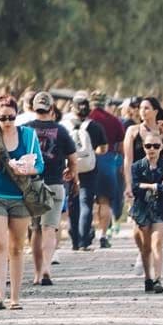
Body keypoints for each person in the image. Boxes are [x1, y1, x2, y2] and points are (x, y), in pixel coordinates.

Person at [0, 94, 43, 312]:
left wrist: (26, 169)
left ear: (17, 116)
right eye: (3, 118)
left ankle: (15, 298)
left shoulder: (29, 136)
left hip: (20, 197)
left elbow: (39, 166)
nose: (7, 122)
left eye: (11, 117)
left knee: (16, 247)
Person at [26, 91, 74, 287]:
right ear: (52, 109)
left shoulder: (25, 130)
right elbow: (72, 158)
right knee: (49, 229)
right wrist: (72, 173)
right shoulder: (61, 130)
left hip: (31, 185)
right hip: (55, 183)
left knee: (35, 229)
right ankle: (46, 267)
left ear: (33, 108)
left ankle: (37, 274)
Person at [129, 131, 163, 294]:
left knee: (157, 243)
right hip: (142, 209)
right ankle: (148, 278)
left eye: (156, 146)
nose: (152, 149)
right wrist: (154, 185)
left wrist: (149, 185)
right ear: (143, 147)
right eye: (148, 146)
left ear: (162, 147)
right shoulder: (136, 166)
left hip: (160, 208)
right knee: (145, 247)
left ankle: (157, 278)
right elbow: (135, 188)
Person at [84, 91, 125, 248]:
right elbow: (120, 147)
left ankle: (86, 232)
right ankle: (102, 235)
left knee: (86, 200)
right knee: (105, 201)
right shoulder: (114, 121)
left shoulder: (86, 120)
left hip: (86, 162)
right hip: (107, 163)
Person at [66, 90, 105, 252]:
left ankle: (74, 241)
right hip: (89, 168)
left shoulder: (64, 125)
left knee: (72, 203)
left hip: (68, 168)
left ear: (72, 108)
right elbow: (103, 148)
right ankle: (84, 242)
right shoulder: (95, 126)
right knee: (86, 203)